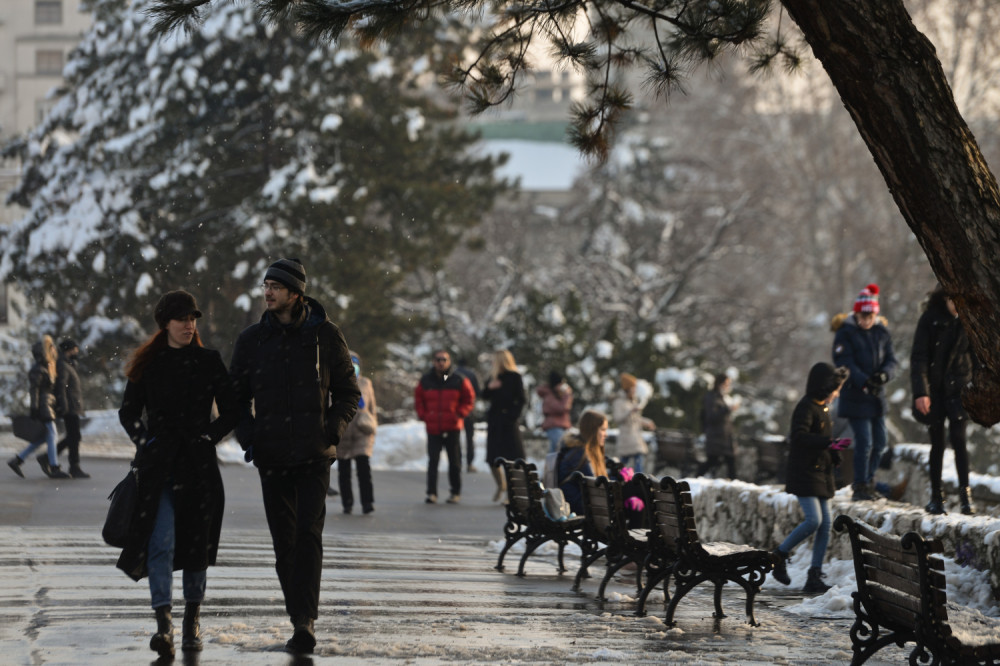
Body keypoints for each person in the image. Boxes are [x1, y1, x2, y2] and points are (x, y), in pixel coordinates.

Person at [229, 258, 360, 655]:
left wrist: (331, 430)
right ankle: (298, 615)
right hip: (271, 457)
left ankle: (305, 621)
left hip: (313, 456)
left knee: (308, 535)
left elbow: (349, 393)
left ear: (295, 293)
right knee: (284, 543)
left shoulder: (325, 335)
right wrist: (250, 438)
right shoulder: (252, 340)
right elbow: (236, 399)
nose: (268, 292)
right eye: (265, 285)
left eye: (276, 286)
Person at [116, 290, 238, 658]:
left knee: (196, 547)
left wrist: (209, 438)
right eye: (182, 318)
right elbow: (128, 412)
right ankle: (163, 624)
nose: (189, 325)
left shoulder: (208, 361)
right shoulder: (150, 363)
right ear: (165, 323)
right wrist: (145, 442)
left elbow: (232, 411)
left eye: (193, 318)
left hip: (199, 469)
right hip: (159, 470)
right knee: (162, 543)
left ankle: (192, 622)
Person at [771, 362, 850, 595]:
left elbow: (824, 439)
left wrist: (834, 453)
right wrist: (828, 443)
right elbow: (800, 437)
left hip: (821, 474)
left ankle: (814, 575)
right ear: (824, 388)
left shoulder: (823, 409)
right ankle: (780, 554)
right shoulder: (806, 407)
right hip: (805, 473)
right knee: (813, 520)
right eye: (835, 390)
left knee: (825, 525)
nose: (837, 395)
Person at [911, 285, 975, 515]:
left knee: (959, 441)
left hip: (960, 389)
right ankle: (936, 496)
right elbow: (919, 358)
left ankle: (965, 496)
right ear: (945, 298)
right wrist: (921, 392)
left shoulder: (970, 320)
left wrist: (975, 388)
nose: (956, 306)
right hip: (935, 391)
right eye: (952, 301)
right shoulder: (930, 320)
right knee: (937, 443)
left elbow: (976, 357)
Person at [832, 283, 898, 501]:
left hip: (876, 397)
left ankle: (869, 480)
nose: (865, 321)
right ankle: (860, 485)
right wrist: (864, 381)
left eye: (869, 317)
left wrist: (883, 376)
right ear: (856, 314)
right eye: (862, 316)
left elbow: (891, 360)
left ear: (875, 315)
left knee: (880, 442)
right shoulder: (845, 333)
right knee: (864, 441)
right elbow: (844, 361)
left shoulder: (882, 333)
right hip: (855, 395)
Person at [414, 349, 474, 505]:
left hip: (452, 426)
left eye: (444, 359)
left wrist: (459, 414)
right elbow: (418, 399)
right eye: (438, 359)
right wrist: (423, 415)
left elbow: (469, 399)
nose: (441, 362)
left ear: (449, 362)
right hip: (433, 427)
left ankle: (455, 492)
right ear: (433, 361)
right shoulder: (426, 380)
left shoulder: (457, 379)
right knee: (433, 461)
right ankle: (431, 493)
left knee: (454, 461)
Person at [7, 335, 69, 479]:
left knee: (43, 438)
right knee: (52, 435)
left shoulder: (46, 367)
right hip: (43, 406)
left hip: (47, 404)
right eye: (51, 348)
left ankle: (17, 460)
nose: (54, 350)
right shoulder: (38, 369)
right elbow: (34, 390)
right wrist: (34, 408)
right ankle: (54, 467)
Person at [35, 338, 89, 479]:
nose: (77, 351)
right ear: (69, 350)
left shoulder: (67, 364)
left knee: (73, 436)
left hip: (72, 406)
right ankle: (74, 466)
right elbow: (61, 387)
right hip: (69, 407)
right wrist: (64, 406)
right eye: (75, 349)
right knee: (74, 436)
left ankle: (48, 458)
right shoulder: (63, 365)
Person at [482, 349, 527, 502]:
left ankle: (511, 493)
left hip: (509, 422)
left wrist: (512, 415)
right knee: (492, 458)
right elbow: (483, 395)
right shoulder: (493, 377)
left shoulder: (515, 377)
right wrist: (490, 388)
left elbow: (521, 399)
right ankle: (501, 484)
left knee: (512, 458)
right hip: (495, 421)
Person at [337, 351, 377, 515]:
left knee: (364, 469)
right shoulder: (335, 383)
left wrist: (373, 425)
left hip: (362, 432)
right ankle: (347, 503)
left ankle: (367, 502)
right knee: (344, 471)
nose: (352, 371)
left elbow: (372, 408)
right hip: (343, 432)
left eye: (355, 367)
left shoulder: (366, 383)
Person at [555, 410, 609, 515]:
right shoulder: (580, 454)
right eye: (603, 430)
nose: (606, 435)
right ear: (592, 431)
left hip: (576, 504)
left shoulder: (576, 450)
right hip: (579, 507)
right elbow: (596, 487)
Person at [697, 373, 737, 479]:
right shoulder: (712, 397)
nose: (728, 386)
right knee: (713, 461)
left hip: (724, 438)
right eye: (727, 384)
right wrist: (727, 409)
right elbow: (711, 417)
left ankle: (733, 485)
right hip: (716, 437)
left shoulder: (722, 397)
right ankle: (695, 479)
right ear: (720, 384)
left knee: (730, 462)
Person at [454, 357, 481, 472]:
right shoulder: (471, 374)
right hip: (469, 410)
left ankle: (458, 461)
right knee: (469, 438)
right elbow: (478, 392)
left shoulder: (452, 373)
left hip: (455, 410)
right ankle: (469, 463)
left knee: (456, 438)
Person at [537, 370, 573, 454]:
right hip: (554, 426)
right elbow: (561, 408)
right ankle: (553, 467)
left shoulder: (556, 395)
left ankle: (552, 466)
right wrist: (567, 395)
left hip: (561, 426)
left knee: (555, 452)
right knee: (560, 449)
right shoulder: (549, 396)